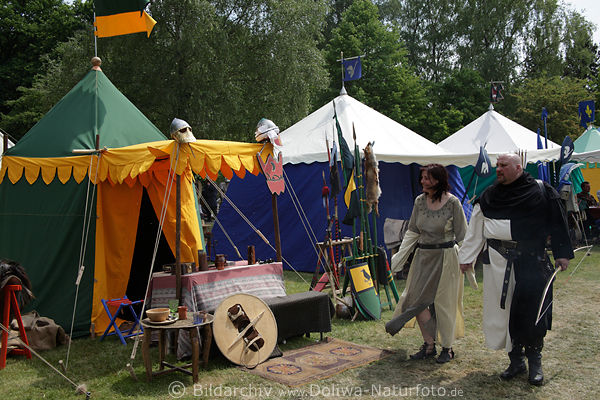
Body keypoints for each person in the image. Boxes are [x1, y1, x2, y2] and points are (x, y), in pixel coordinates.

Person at [458, 153, 573, 386]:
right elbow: (476, 229)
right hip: (499, 262)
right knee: (504, 312)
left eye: (503, 165)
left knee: (533, 311)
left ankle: (535, 362)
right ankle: (516, 361)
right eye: (497, 165)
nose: (498, 169)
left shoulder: (540, 191)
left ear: (518, 168)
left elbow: (557, 221)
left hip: (531, 261)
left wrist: (561, 253)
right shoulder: (489, 195)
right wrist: (466, 257)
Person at [385, 164, 467, 364]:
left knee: (444, 304)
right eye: (422, 177)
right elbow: (413, 232)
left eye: (427, 178)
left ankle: (447, 348)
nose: (423, 181)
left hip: (446, 257)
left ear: (438, 180)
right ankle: (429, 344)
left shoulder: (453, 203)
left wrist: (467, 262)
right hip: (423, 258)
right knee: (415, 301)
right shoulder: (419, 202)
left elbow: (463, 236)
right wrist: (399, 258)